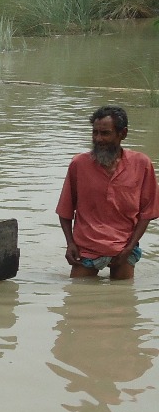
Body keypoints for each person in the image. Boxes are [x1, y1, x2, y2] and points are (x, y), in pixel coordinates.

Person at [57, 104, 159, 280]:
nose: (98, 139)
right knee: (77, 293)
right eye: (95, 133)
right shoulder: (79, 164)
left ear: (122, 134)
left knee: (123, 294)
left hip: (124, 248)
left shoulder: (141, 164)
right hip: (86, 249)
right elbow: (65, 209)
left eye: (105, 133)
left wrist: (129, 248)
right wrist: (70, 244)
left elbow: (147, 212)